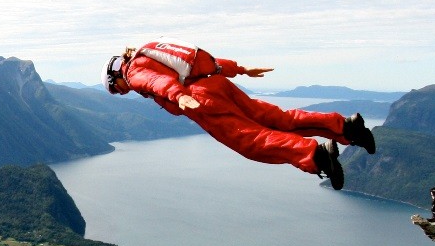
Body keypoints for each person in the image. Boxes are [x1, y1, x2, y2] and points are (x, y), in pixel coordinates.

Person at [102, 41, 376, 190]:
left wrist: (179, 96)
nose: (123, 92)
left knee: (251, 141)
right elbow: (200, 61)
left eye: (117, 89)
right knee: (276, 118)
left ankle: (315, 155)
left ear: (117, 74)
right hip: (218, 83)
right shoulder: (153, 49)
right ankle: (346, 127)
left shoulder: (134, 71)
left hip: (200, 99)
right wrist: (240, 69)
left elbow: (154, 84)